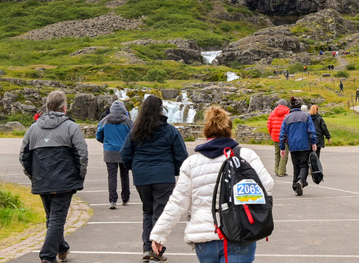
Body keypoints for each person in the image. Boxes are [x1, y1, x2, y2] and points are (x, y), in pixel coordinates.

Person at [150, 106, 274, 263]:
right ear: (229, 130)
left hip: (204, 238)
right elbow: (267, 184)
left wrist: (159, 235)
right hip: (239, 233)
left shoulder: (191, 163)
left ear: (206, 132)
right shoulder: (246, 155)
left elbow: (177, 202)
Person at [19, 90, 88, 263]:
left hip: (42, 180)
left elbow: (23, 157)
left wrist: (34, 176)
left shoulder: (32, 129)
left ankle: (62, 248)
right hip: (64, 182)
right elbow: (82, 154)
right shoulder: (71, 127)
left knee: (52, 219)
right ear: (64, 108)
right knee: (56, 219)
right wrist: (79, 176)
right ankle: (47, 256)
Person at [121, 95, 188, 262]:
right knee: (160, 212)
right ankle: (156, 250)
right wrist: (175, 170)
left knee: (147, 211)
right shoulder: (170, 130)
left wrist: (134, 167)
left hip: (142, 176)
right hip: (164, 177)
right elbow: (182, 155)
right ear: (160, 109)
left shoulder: (136, 130)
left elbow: (125, 153)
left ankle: (146, 247)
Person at [96, 100, 133, 209]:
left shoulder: (104, 121)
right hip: (124, 151)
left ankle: (113, 200)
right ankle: (125, 197)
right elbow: (133, 135)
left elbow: (98, 135)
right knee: (124, 175)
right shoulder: (128, 121)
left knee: (112, 176)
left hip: (109, 151)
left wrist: (106, 142)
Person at [279, 96, 317, 196]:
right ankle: (301, 181)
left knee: (296, 166)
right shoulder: (306, 116)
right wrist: (314, 142)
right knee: (304, 164)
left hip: (292, 145)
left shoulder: (287, 118)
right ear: (300, 107)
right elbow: (311, 131)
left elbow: (282, 134)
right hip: (305, 144)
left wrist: (282, 147)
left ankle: (296, 186)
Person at [266, 99, 290, 177]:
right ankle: (281, 171)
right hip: (285, 137)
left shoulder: (272, 113)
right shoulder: (288, 113)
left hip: (275, 137)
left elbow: (269, 125)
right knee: (284, 154)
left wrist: (272, 134)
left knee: (277, 153)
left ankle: (276, 170)